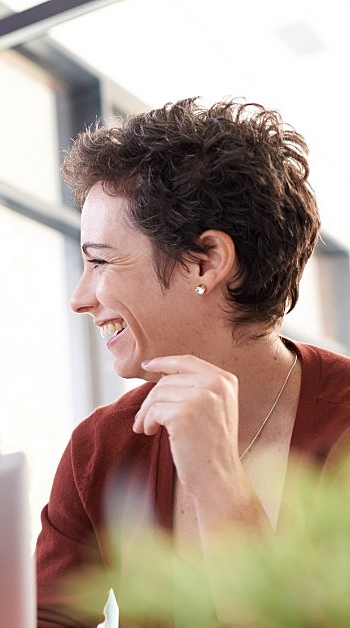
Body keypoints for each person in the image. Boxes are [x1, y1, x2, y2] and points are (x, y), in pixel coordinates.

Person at [35, 97, 350, 626]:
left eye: (101, 262)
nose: (80, 297)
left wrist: (217, 477)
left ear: (205, 262)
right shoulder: (101, 448)